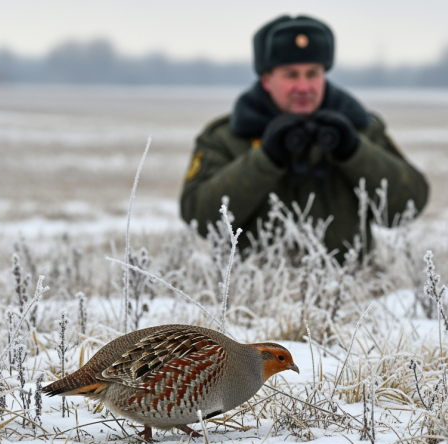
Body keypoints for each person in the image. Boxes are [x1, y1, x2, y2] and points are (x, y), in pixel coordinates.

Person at [180, 15, 429, 260]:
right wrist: (265, 159)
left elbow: (409, 205)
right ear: (267, 80)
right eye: (291, 75)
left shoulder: (360, 129)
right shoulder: (226, 138)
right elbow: (199, 217)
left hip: (350, 291)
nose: (303, 87)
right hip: (253, 293)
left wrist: (354, 152)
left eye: (313, 74)